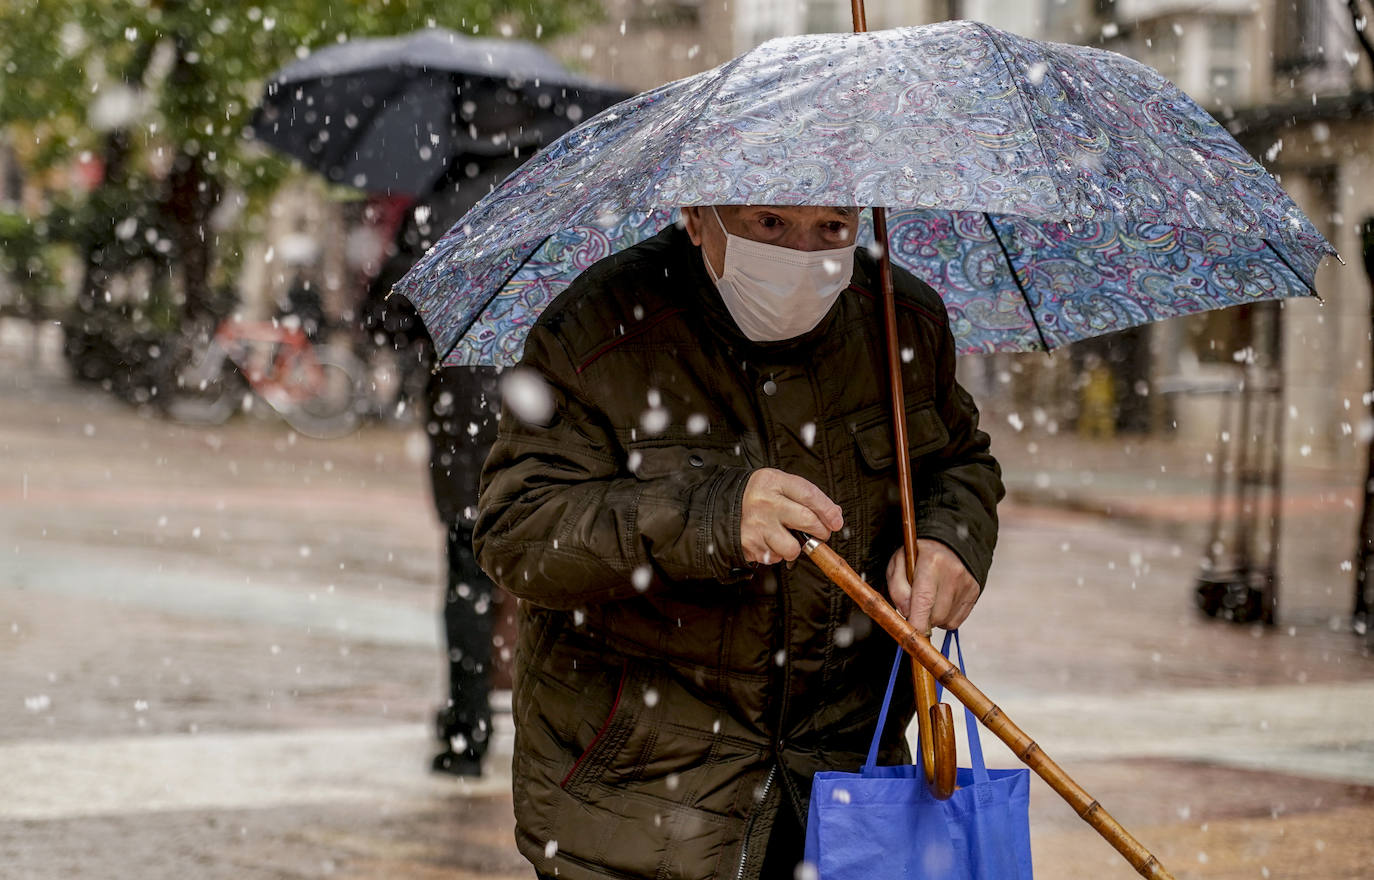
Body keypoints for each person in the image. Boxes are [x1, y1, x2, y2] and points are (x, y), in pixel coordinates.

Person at [473, 205, 1003, 879]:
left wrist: (949, 539)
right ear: (698, 217)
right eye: (771, 224)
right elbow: (518, 529)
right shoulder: (598, 328)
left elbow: (960, 463)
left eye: (833, 228)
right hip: (639, 799)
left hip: (847, 790)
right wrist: (712, 516)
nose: (803, 254)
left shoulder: (901, 320)